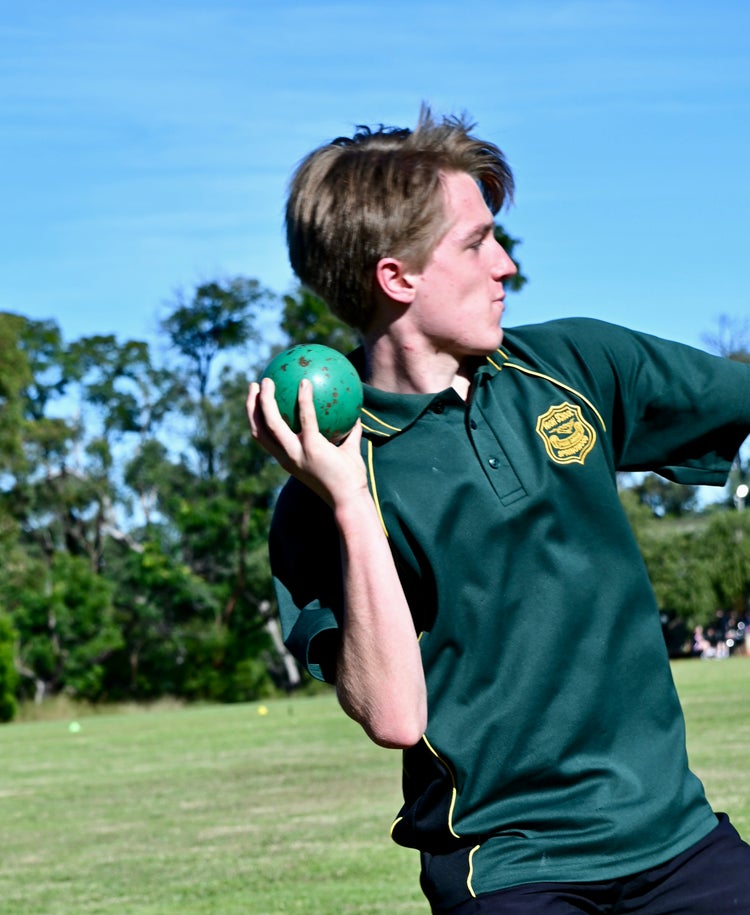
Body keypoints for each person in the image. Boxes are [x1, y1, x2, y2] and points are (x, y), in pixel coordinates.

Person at [247, 108, 750, 913]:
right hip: (509, 865)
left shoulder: (574, 364)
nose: (506, 267)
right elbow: (396, 714)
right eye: (477, 243)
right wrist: (347, 499)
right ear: (397, 277)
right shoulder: (321, 492)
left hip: (676, 838)